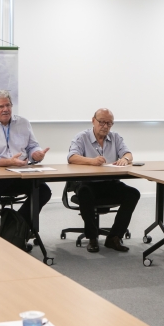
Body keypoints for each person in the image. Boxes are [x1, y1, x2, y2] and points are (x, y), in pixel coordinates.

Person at [67, 108, 140, 253]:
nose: (105, 126)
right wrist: (91, 161)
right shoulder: (82, 137)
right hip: (88, 183)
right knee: (85, 193)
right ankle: (92, 238)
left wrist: (125, 159)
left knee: (133, 194)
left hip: (110, 182)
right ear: (93, 121)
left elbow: (128, 153)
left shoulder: (115, 137)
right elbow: (72, 157)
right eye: (102, 122)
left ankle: (114, 237)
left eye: (109, 123)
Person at [0, 90, 51, 225]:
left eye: (8, 105)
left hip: (21, 175)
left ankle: (16, 225)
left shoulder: (23, 123)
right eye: (1, 106)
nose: (6, 109)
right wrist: (8, 162)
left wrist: (36, 154)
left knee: (43, 191)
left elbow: (32, 146)